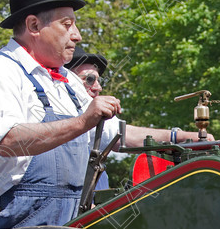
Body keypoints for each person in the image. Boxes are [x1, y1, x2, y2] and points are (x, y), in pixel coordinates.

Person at [0, 0, 205, 229]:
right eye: (67, 25)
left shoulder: (66, 82)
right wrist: (82, 121)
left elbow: (115, 134)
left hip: (69, 221)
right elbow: (8, 141)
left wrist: (183, 138)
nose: (77, 35)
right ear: (33, 25)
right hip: (9, 228)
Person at [65, 46, 211, 191]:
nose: (98, 88)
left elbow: (125, 135)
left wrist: (181, 137)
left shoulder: (92, 116)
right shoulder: (59, 112)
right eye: (90, 79)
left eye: (98, 80)